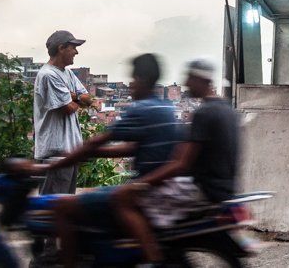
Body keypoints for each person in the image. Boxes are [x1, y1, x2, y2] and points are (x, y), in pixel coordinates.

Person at [27, 53, 181, 268]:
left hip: (144, 191)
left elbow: (94, 138)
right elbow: (132, 147)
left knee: (62, 205)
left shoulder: (141, 109)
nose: (130, 85)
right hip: (159, 188)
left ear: (143, 80)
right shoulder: (165, 108)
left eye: (133, 80)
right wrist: (94, 152)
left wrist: (59, 162)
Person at [123, 59, 240, 236]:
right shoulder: (228, 110)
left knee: (128, 200)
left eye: (190, 78)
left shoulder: (204, 113)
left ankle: (152, 256)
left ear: (201, 80)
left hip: (202, 190)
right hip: (225, 188)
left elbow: (181, 163)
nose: (186, 83)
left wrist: (141, 183)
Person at [34, 30, 93, 195]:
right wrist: (75, 99)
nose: (76, 51)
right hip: (56, 154)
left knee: (64, 206)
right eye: (73, 47)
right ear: (61, 48)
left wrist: (73, 96)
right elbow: (68, 109)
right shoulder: (48, 75)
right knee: (53, 207)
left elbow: (88, 98)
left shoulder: (66, 73)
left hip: (68, 153)